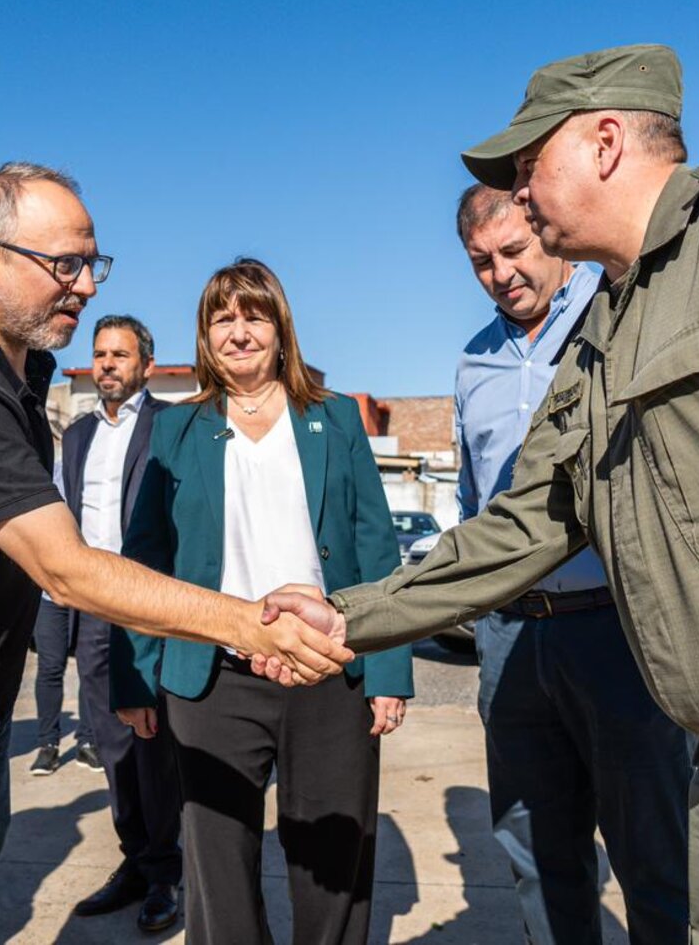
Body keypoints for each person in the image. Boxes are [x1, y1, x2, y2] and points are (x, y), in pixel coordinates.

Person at [263, 44, 699, 943]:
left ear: (602, 143)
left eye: (528, 168)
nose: (521, 194)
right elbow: (519, 524)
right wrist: (346, 617)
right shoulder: (598, 345)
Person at [0, 163, 349, 942]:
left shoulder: (17, 361)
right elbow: (67, 566)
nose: (88, 285)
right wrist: (251, 623)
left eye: (94, 262)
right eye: (64, 265)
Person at [113, 258, 414, 945]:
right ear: (204, 334)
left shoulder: (334, 418)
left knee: (332, 860)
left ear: (282, 330)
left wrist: (389, 673)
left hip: (327, 670)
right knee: (217, 862)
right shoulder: (176, 429)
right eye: (223, 318)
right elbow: (145, 559)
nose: (239, 331)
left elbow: (377, 548)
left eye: (255, 316)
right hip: (212, 680)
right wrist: (132, 675)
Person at [453, 184, 689, 943]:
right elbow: (475, 503)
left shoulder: (619, 316)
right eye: (481, 262)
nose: (500, 274)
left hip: (616, 633)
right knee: (535, 852)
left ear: (546, 232)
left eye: (514, 251)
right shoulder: (474, 363)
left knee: (657, 856)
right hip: (513, 640)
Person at [58, 314, 183, 932]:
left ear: (146, 366)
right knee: (110, 745)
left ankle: (166, 873)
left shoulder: (172, 425)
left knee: (153, 742)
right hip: (94, 608)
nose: (108, 364)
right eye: (101, 354)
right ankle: (135, 859)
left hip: (150, 606)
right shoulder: (77, 435)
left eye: (120, 355)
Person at [29, 461, 101, 776]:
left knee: (91, 665)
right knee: (50, 666)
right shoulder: (53, 471)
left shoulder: (99, 473)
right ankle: (48, 744)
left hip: (88, 588)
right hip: (49, 590)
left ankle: (87, 741)